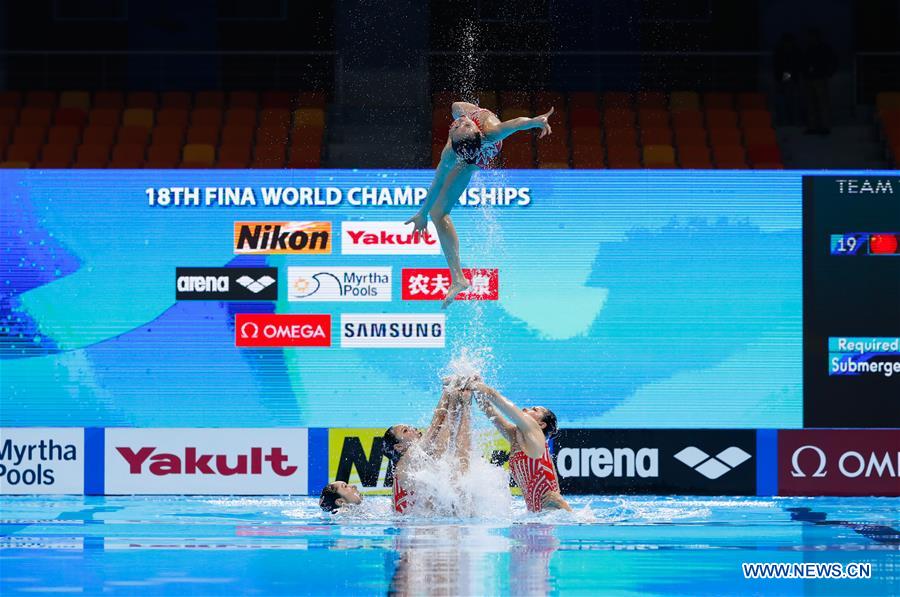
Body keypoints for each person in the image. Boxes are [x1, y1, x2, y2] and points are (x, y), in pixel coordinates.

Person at [405, 101, 555, 308]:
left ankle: (458, 279)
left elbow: (517, 123)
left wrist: (536, 121)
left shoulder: (490, 132)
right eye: (456, 126)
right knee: (437, 213)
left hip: (483, 154)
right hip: (470, 153)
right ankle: (458, 279)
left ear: (477, 130)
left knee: (456, 107)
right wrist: (422, 214)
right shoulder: (452, 150)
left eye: (464, 124)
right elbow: (437, 183)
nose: (461, 122)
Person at [472, 380, 571, 512]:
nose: (525, 409)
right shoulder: (514, 436)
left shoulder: (537, 437)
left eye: (534, 410)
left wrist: (476, 384)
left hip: (552, 514)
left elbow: (498, 399)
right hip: (535, 516)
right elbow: (488, 409)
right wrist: (471, 389)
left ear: (541, 425)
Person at [382, 377, 474, 513]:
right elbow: (437, 423)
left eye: (410, 427)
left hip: (419, 520)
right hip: (416, 523)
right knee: (455, 465)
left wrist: (451, 393)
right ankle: (467, 406)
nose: (413, 429)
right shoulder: (405, 462)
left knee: (449, 463)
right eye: (405, 431)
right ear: (399, 447)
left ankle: (466, 405)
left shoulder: (414, 463)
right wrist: (451, 393)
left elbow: (442, 427)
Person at [802, 28, 837, 135]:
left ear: (818, 37)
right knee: (811, 104)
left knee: (822, 103)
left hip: (820, 78)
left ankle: (824, 126)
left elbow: (833, 61)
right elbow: (803, 63)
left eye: (813, 36)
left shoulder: (824, 48)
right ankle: (813, 126)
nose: (811, 39)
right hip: (809, 79)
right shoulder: (808, 49)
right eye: (810, 37)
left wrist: (829, 73)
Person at [772, 33, 803, 126]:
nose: (787, 44)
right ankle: (784, 120)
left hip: (788, 76)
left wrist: (786, 77)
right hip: (784, 76)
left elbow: (790, 67)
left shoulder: (793, 51)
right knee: (785, 99)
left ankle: (790, 120)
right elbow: (779, 66)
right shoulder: (781, 51)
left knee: (790, 99)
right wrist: (782, 78)